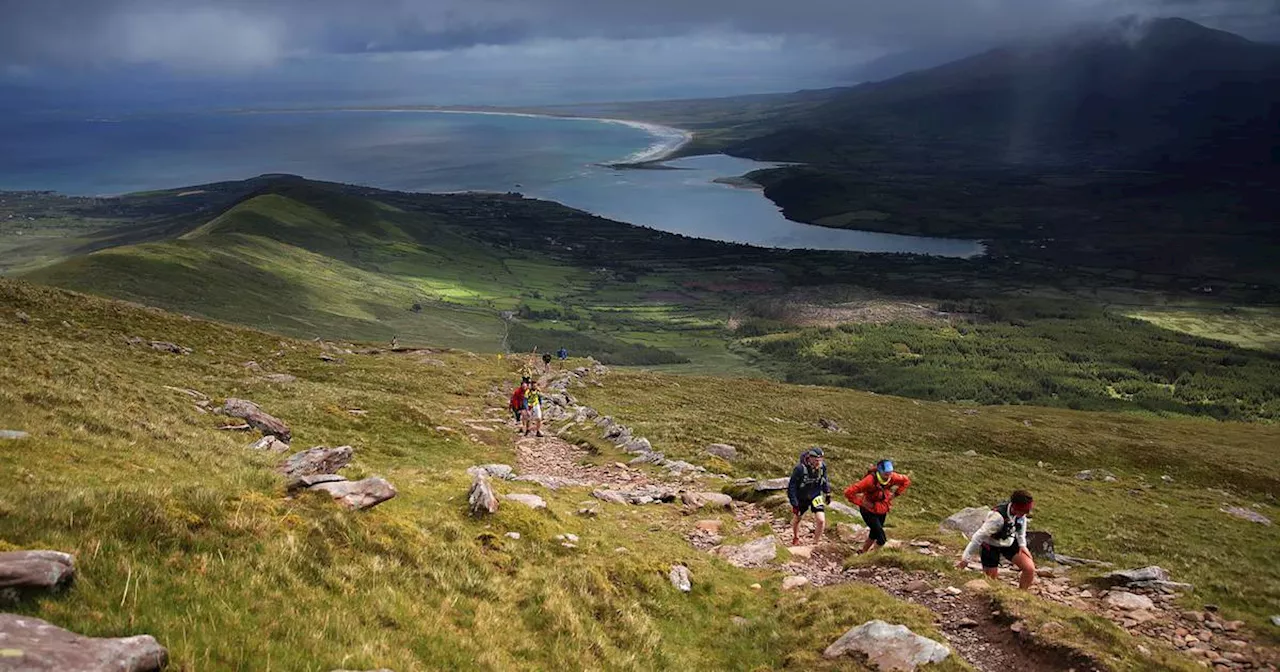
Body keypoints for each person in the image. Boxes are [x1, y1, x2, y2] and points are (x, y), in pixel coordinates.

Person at [955, 490, 1037, 590]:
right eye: (1023, 511)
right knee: (991, 583)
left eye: (1026, 512)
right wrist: (965, 559)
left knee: (1029, 568)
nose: (1024, 514)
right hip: (990, 545)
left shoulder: (1021, 515)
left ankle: (1022, 594)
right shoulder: (997, 517)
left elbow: (1021, 531)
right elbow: (978, 537)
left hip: (1008, 542)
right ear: (1015, 506)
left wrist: (1022, 546)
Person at [844, 459, 911, 554]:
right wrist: (861, 502)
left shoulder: (893, 477)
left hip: (882, 508)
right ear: (880, 472)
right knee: (881, 538)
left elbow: (906, 481)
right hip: (868, 510)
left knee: (874, 532)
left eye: (890, 473)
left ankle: (863, 552)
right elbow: (848, 492)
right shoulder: (869, 481)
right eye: (886, 474)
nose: (888, 476)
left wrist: (896, 494)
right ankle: (872, 557)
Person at [787, 447, 831, 546]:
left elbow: (824, 480)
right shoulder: (799, 469)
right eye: (816, 460)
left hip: (815, 496)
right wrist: (794, 503)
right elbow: (792, 486)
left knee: (821, 520)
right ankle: (796, 536)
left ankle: (815, 543)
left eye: (820, 460)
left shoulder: (822, 467)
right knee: (798, 518)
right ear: (810, 458)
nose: (818, 462)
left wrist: (827, 492)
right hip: (801, 497)